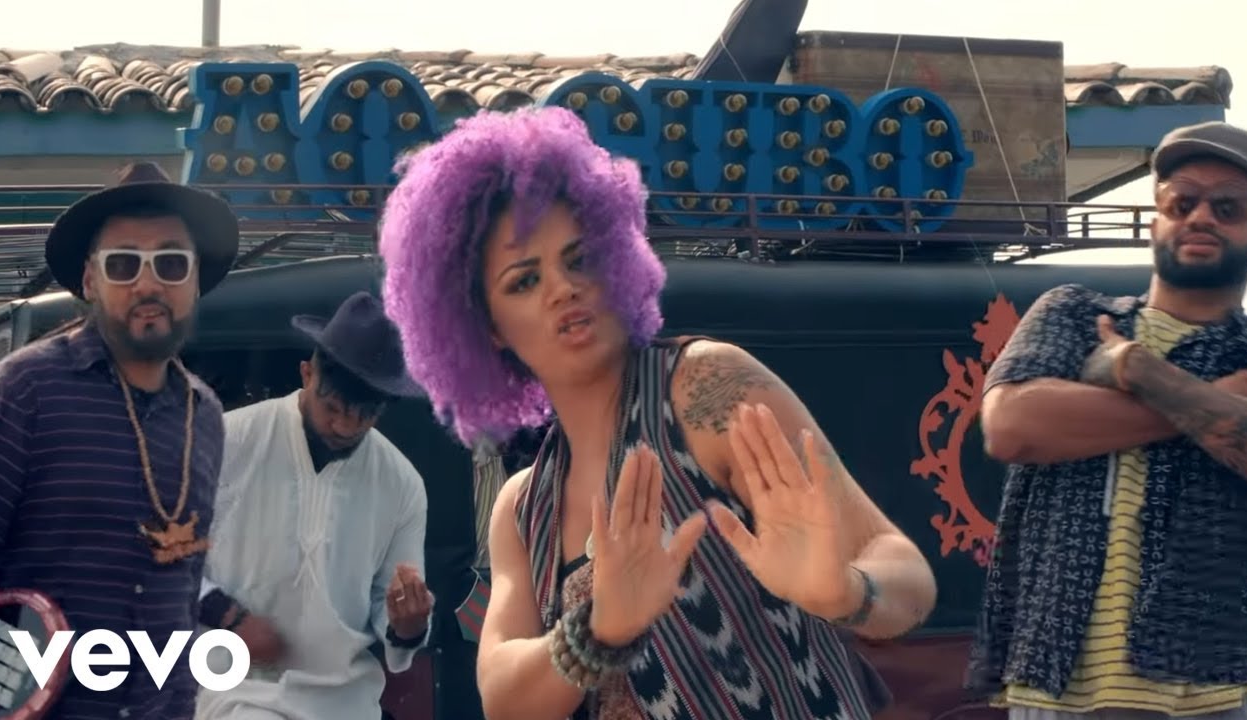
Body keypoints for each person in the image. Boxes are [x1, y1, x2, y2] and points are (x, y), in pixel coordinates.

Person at [376, 106, 938, 720]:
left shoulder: (702, 388)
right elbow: (504, 701)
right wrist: (598, 629)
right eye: (523, 281)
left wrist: (844, 593)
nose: (563, 287)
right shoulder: (523, 509)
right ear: (486, 328)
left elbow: (905, 573)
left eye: (579, 258)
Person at [970, 120, 1247, 720]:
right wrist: (1214, 406)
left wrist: (1137, 369)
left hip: (1209, 688)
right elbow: (1013, 425)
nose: (1201, 217)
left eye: (1228, 207)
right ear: (1156, 223)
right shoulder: (1074, 314)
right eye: (1181, 202)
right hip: (1055, 679)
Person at [0, 162, 239, 718]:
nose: (148, 284)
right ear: (90, 281)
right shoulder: (24, 389)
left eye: (171, 263)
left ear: (195, 281)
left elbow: (183, 595)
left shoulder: (205, 416)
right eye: (123, 264)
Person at [193, 291, 433, 720]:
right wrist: (229, 617)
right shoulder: (226, 441)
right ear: (307, 373)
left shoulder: (402, 485)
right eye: (333, 408)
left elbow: (390, 610)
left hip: (347, 701)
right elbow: (163, 553)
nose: (343, 427)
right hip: (233, 691)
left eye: (362, 417)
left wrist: (407, 626)